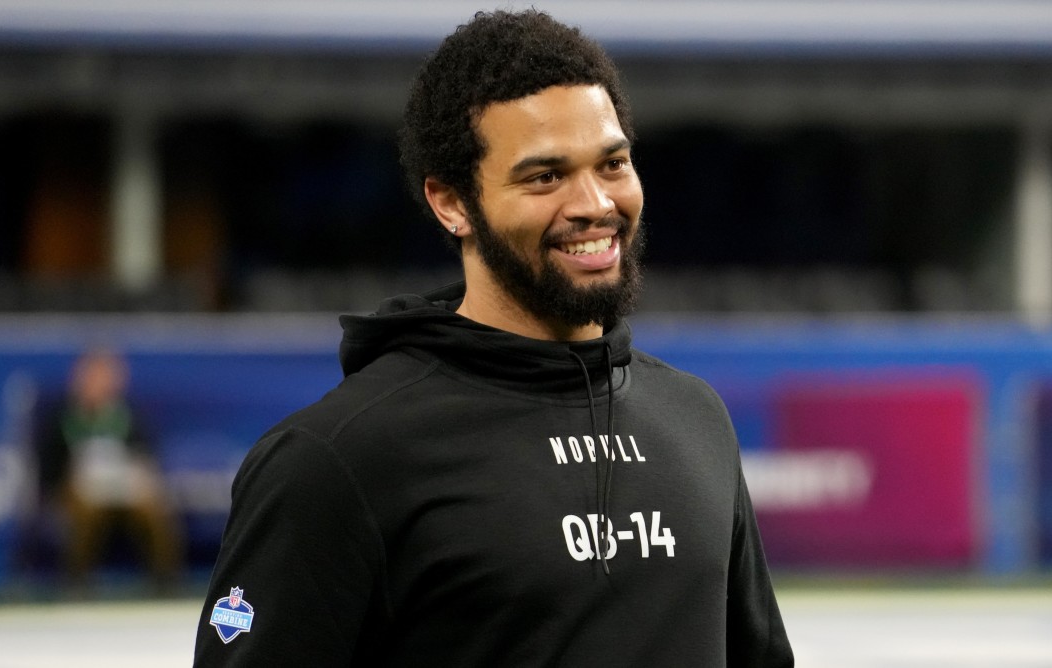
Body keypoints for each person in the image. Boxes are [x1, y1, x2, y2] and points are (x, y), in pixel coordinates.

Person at [194, 9, 793, 666]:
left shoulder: (695, 417)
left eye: (613, 163)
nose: (594, 201)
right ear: (451, 203)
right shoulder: (338, 459)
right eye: (545, 176)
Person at [35, 347, 183, 591]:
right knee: (88, 513)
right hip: (78, 491)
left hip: (123, 487)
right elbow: (48, 466)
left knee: (152, 507)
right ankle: (76, 582)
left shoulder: (130, 416)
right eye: (93, 377)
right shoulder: (61, 416)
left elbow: (147, 456)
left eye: (105, 377)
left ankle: (165, 580)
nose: (99, 384)